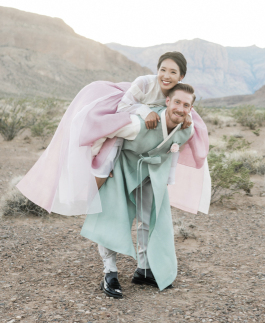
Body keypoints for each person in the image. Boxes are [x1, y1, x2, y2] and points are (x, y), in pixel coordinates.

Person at [17, 52, 210, 217]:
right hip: (122, 106)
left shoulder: (178, 92)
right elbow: (124, 106)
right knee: (108, 153)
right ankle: (88, 191)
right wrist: (145, 111)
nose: (166, 75)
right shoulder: (144, 83)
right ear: (157, 70)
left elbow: (181, 106)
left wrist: (189, 118)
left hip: (142, 118)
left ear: (181, 76)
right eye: (163, 70)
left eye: (173, 72)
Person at [81, 83, 197, 297]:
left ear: (191, 109)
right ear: (168, 101)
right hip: (122, 168)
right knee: (112, 218)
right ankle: (110, 273)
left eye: (186, 105)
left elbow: (174, 152)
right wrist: (100, 164)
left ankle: (144, 269)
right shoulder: (139, 124)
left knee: (150, 218)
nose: (180, 108)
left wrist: (167, 180)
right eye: (177, 102)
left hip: (150, 173)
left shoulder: (187, 129)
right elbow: (102, 133)